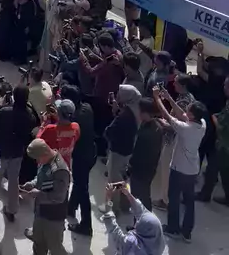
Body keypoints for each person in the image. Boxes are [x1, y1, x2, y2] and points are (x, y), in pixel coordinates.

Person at [152, 86, 206, 243]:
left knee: (174, 198)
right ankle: (187, 232)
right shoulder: (202, 124)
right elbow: (182, 115)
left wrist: (157, 98)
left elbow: (167, 116)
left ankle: (173, 228)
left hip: (179, 169)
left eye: (188, 109)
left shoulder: (184, 128)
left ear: (192, 115)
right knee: (189, 202)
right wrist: (169, 98)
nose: (185, 110)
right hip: (192, 170)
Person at [0, 83, 40, 220]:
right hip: (18, 152)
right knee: (14, 181)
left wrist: (0, 106)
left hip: (2, 151)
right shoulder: (29, 115)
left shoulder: (5, 112)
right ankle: (12, 209)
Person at [21, 138, 70, 255]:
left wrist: (38, 194)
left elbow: (59, 197)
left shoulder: (60, 170)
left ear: (45, 153)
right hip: (41, 211)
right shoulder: (46, 161)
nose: (37, 161)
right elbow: (41, 177)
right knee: (38, 242)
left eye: (38, 158)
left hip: (53, 217)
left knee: (55, 247)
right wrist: (32, 184)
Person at [80, 32, 124, 155]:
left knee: (100, 124)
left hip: (102, 96)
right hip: (112, 94)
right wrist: (94, 57)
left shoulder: (110, 62)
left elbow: (91, 72)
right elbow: (103, 63)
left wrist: (83, 58)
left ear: (104, 46)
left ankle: (100, 149)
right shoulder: (117, 55)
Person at [62, 85, 97, 237]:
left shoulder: (75, 120)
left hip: (81, 156)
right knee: (79, 183)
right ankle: (71, 208)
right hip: (91, 151)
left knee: (83, 190)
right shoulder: (87, 108)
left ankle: (86, 225)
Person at [105, 85, 141, 214]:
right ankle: (126, 204)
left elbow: (109, 132)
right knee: (124, 179)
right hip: (128, 149)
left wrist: (116, 115)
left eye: (120, 94)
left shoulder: (125, 116)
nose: (118, 96)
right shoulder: (135, 109)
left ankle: (113, 208)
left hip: (118, 151)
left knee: (114, 180)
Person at [102, 182, 165, 255]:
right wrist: (128, 194)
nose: (137, 222)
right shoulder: (159, 243)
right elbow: (141, 211)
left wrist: (108, 199)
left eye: (139, 222)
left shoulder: (130, 244)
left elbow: (112, 227)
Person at [197, 74, 229, 205]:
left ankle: (205, 194)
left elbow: (222, 126)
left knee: (213, 169)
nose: (224, 87)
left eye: (226, 85)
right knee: (223, 172)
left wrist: (214, 119)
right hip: (224, 144)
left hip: (224, 145)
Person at [128, 98, 163, 211]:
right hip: (150, 168)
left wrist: (130, 167)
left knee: (138, 198)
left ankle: (141, 220)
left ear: (144, 112)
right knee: (144, 195)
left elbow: (138, 153)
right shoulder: (157, 126)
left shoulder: (146, 133)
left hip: (140, 170)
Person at [38, 99, 80, 168]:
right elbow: (65, 128)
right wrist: (58, 117)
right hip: (65, 167)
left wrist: (43, 123)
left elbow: (37, 142)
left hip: (50, 167)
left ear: (59, 112)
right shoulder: (76, 127)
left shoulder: (50, 129)